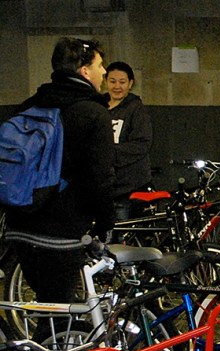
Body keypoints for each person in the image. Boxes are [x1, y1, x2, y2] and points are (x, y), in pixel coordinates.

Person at [6, 37, 115, 303]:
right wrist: (105, 224)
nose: (104, 72)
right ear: (84, 71)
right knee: (65, 313)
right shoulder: (93, 113)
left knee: (49, 305)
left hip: (19, 226)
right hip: (62, 234)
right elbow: (99, 179)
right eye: (100, 65)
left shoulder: (30, 105)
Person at [105, 61, 152, 220]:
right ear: (105, 82)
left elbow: (141, 144)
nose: (117, 86)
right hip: (104, 187)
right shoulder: (98, 108)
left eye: (122, 82)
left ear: (130, 83)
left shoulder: (136, 109)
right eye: (112, 81)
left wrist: (109, 154)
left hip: (128, 187)